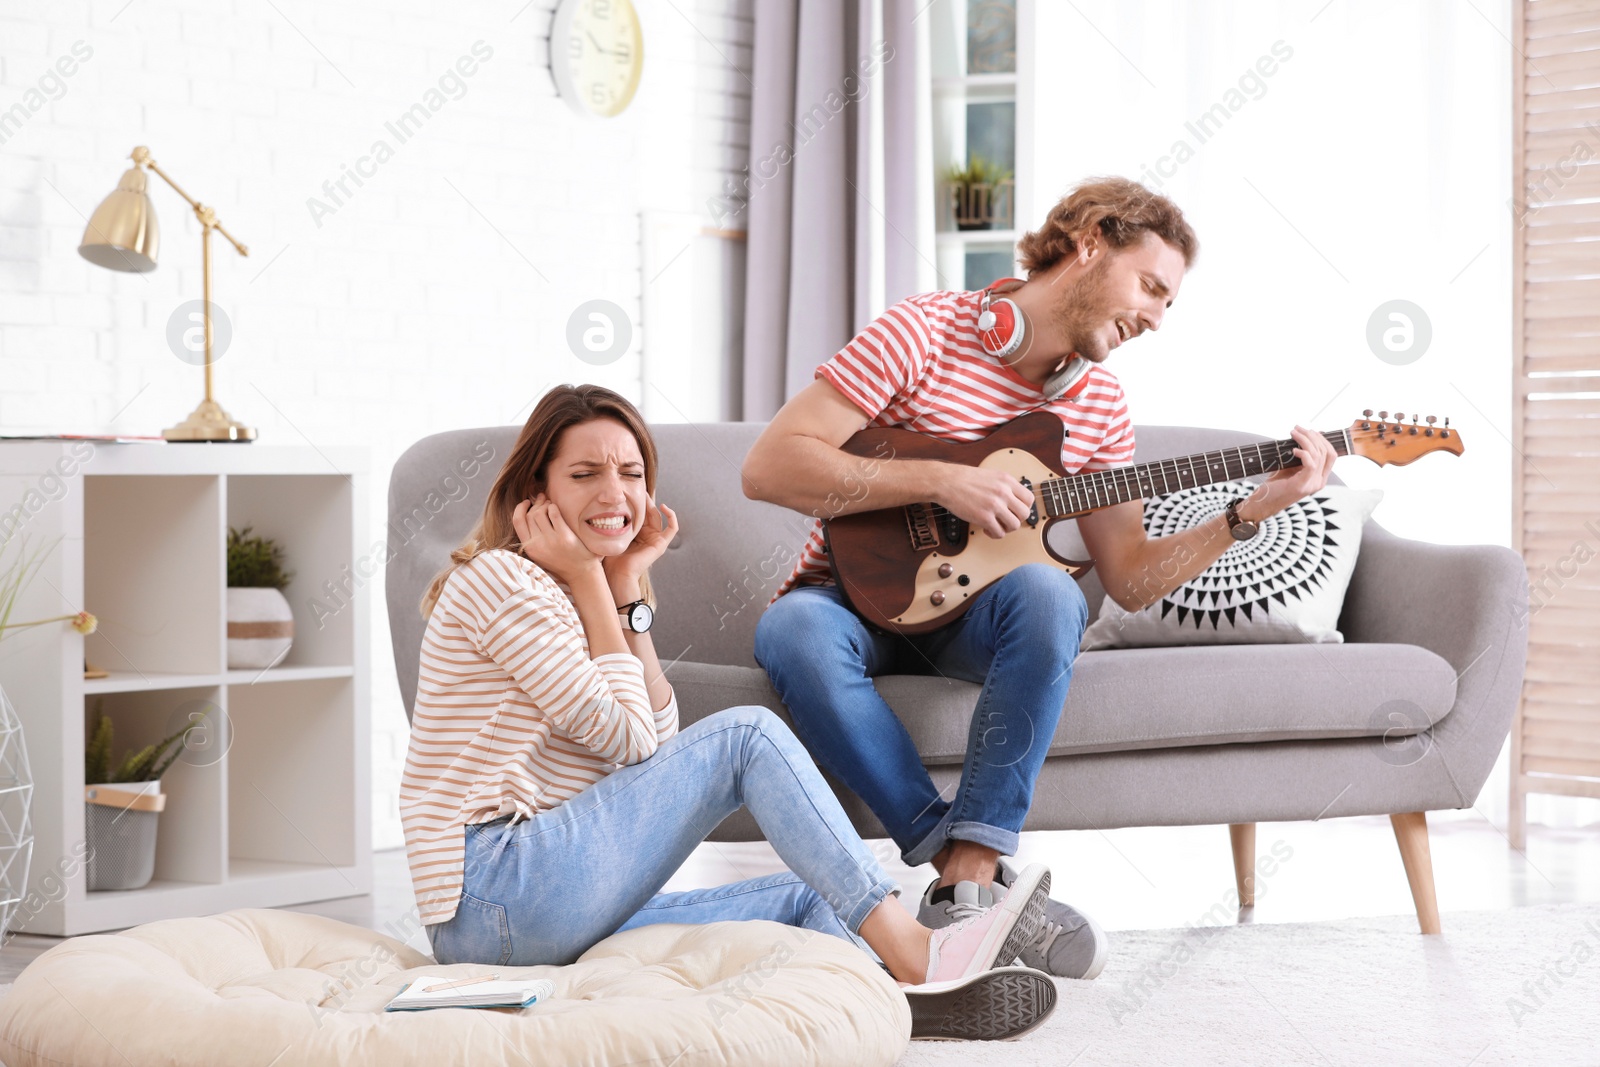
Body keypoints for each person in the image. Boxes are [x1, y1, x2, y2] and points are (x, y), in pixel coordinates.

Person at [744, 176, 1338, 979]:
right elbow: (771, 464)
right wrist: (939, 482)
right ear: (1090, 242)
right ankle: (971, 882)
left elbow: (1128, 578)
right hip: (848, 601)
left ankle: (968, 875)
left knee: (1052, 590)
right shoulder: (924, 329)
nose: (1156, 319)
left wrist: (1249, 513)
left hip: (971, 622)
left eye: (1171, 304)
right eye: (1151, 287)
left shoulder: (1099, 406)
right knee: (790, 630)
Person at [399, 384, 1061, 1041]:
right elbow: (632, 741)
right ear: (534, 495)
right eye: (584, 473)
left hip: (540, 904)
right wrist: (593, 582)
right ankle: (921, 952)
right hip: (498, 891)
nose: (615, 493)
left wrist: (625, 588)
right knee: (747, 736)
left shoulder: (581, 592)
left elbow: (656, 741)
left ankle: (895, 996)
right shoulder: (504, 581)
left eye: (631, 473)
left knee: (812, 899)